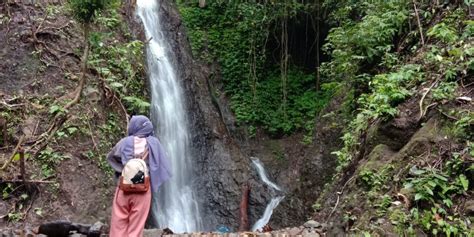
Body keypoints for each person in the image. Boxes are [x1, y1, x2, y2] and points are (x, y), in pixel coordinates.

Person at [107, 115, 171, 237]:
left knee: (118, 222)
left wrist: (123, 170)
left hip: (124, 187)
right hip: (143, 189)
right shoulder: (154, 143)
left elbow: (111, 158)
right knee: (136, 226)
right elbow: (162, 163)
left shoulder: (124, 142)